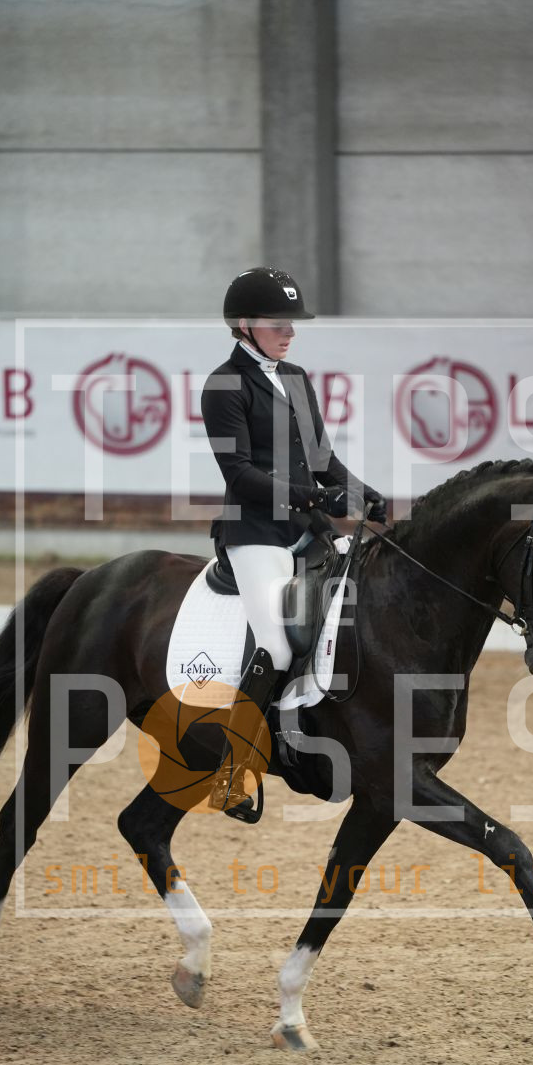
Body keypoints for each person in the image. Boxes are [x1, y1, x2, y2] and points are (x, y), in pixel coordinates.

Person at [201, 266, 387, 816]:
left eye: (292, 323)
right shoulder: (224, 385)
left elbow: (323, 459)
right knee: (278, 645)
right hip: (256, 533)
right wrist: (316, 498)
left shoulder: (297, 378)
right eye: (277, 323)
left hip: (306, 531)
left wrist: (363, 493)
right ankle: (231, 771)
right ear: (244, 325)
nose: (289, 332)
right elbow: (239, 474)